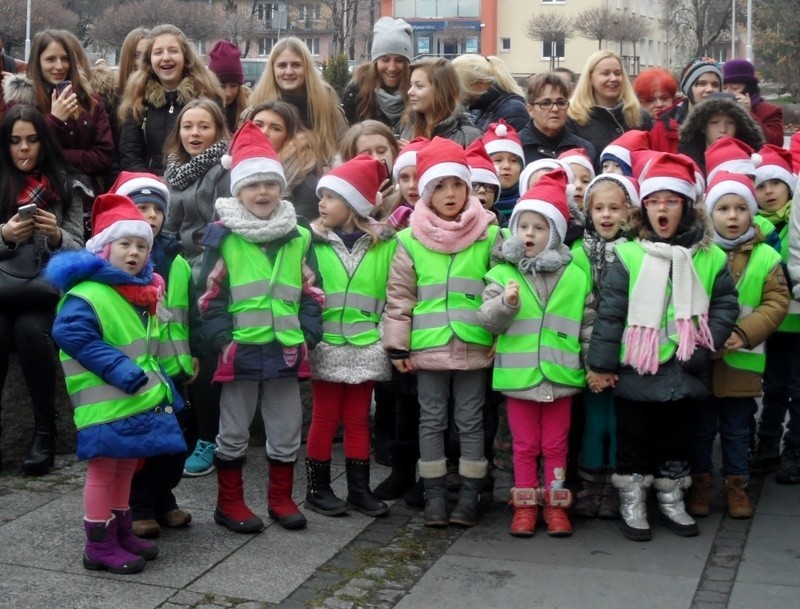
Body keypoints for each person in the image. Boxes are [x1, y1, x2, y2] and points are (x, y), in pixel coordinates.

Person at [587, 152, 739, 542]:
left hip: (685, 366)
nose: (662, 209)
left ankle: (673, 498)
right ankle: (633, 500)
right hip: (638, 366)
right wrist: (602, 365)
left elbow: (725, 304)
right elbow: (610, 314)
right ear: (645, 209)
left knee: (677, 440)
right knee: (634, 438)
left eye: (671, 200)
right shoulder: (630, 254)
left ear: (686, 207)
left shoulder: (709, 257)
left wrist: (707, 342)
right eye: (654, 201)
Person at [46, 193, 186, 574]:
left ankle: (121, 531)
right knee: (104, 470)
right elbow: (71, 333)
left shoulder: (139, 293)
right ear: (104, 248)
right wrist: (121, 370)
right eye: (125, 244)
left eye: (142, 245)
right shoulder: (88, 293)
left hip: (133, 400)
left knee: (126, 467)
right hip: (105, 401)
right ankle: (98, 545)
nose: (134, 252)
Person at [196, 121, 322, 533]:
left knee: (286, 430)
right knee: (232, 430)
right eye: (253, 185)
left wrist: (308, 333)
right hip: (240, 348)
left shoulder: (298, 237)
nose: (262, 193)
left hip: (287, 346)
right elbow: (208, 297)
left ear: (281, 188)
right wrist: (221, 340)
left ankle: (280, 499)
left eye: (270, 184)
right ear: (238, 191)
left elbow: (312, 293)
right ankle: (229, 503)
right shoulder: (224, 238)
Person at [384, 137, 501, 528]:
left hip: (474, 346)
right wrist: (398, 347)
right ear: (426, 191)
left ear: (469, 188)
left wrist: (499, 333)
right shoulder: (409, 239)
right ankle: (434, 494)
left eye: (457, 185)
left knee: (470, 420)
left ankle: (469, 494)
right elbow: (400, 297)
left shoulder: (488, 234)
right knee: (430, 420)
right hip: (428, 348)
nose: (449, 194)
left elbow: (499, 288)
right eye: (439, 186)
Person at [478, 169, 594, 537]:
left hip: (561, 375)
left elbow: (587, 323)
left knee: (556, 444)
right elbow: (487, 320)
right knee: (525, 445)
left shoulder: (576, 275)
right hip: (520, 376)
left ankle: (556, 506)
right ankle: (525, 506)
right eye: (523, 226)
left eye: (539, 228)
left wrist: (593, 365)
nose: (529, 234)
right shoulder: (502, 273)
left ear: (555, 234)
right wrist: (507, 303)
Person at [686, 171, 788, 519]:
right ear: (709, 214)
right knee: (700, 430)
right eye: (724, 209)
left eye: (741, 208)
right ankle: (700, 481)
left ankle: (736, 484)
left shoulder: (767, 258)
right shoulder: (696, 253)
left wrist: (744, 333)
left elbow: (775, 302)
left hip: (743, 360)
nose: (733, 216)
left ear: (751, 213)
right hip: (701, 359)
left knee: (737, 430)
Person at [305, 154, 394, 518]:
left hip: (366, 342)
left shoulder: (387, 244)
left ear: (355, 204)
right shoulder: (311, 242)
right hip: (326, 343)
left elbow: (394, 294)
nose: (321, 204)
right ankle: (317, 487)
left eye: (331, 197)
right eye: (321, 197)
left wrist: (384, 336)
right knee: (325, 416)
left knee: (358, 418)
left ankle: (359, 488)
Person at [109, 171, 195, 537]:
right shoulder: (123, 265)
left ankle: (164, 498)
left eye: (156, 209)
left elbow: (192, 311)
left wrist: (196, 352)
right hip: (144, 368)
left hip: (175, 365)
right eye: (141, 207)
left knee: (179, 440)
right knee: (145, 441)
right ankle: (140, 503)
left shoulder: (176, 260)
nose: (150, 215)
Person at [0, 104, 84, 475]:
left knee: (32, 331)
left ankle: (44, 432)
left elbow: (83, 247)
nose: (23, 149)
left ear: (43, 142)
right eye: (15, 141)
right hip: (2, 288)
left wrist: (55, 234)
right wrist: (3, 235)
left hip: (44, 289)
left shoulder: (65, 183)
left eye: (32, 140)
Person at [571, 173, 640, 519]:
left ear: (629, 211)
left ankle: (616, 486)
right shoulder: (577, 253)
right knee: (595, 423)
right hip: (590, 352)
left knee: (619, 424)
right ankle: (590, 484)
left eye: (615, 207)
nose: (607, 215)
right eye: (599, 208)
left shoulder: (637, 252)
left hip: (627, 353)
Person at [752, 145, 800, 483]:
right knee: (772, 387)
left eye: (775, 184)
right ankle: (767, 443)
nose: (769, 192)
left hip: (797, 321)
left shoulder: (793, 222)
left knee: (798, 387)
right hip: (771, 325)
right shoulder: (753, 226)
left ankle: (794, 447)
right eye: (761, 186)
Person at [118, 24, 224, 175]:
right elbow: (130, 153)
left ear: (185, 57)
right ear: (149, 60)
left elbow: (219, 146)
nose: (166, 58)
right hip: (151, 188)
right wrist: (151, 185)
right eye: (158, 52)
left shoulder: (208, 96)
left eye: (173, 51)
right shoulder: (137, 98)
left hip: (198, 184)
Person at [24, 30, 114, 197]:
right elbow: (25, 153)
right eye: (50, 59)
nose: (59, 66)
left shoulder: (90, 101)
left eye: (65, 59)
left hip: (86, 194)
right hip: (38, 194)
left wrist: (56, 158)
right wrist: (54, 120)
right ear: (38, 62)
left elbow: (104, 155)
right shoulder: (23, 102)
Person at [249, 37, 346, 167]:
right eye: (282, 65)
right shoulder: (255, 109)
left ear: (307, 68)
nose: (289, 71)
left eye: (296, 65)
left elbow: (347, 153)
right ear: (272, 69)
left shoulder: (328, 109)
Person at [163, 99, 231, 268]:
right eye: (187, 127)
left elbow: (222, 226)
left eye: (204, 127)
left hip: (209, 261)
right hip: (176, 259)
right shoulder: (172, 171)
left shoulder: (224, 171)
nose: (194, 133)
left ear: (218, 131)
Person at [566, 50, 652, 170]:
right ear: (590, 78)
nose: (613, 78)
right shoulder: (572, 118)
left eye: (617, 73)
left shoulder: (640, 117)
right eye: (605, 73)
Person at [247, 101, 320, 220]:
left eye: (275, 128)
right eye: (258, 125)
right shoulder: (230, 166)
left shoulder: (306, 184)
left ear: (289, 137)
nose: (264, 132)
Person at [342, 17, 413, 132]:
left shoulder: (418, 90)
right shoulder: (356, 92)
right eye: (385, 60)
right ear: (376, 62)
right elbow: (349, 139)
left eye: (399, 60)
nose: (392, 67)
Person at [398, 57, 482, 147]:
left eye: (419, 86)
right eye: (411, 85)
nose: (410, 92)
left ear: (442, 90)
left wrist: (418, 155)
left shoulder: (468, 137)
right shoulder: (409, 127)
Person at [678, 92, 764, 177]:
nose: (723, 129)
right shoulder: (686, 164)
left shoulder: (751, 163)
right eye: (714, 123)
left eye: (730, 123)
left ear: (738, 127)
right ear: (703, 127)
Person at [518, 72, 596, 166]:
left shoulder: (583, 149)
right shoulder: (516, 148)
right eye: (546, 103)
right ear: (530, 110)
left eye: (561, 103)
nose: (555, 109)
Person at [650, 57, 723, 154]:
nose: (709, 89)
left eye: (715, 85)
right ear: (688, 89)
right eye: (701, 84)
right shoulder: (664, 127)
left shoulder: (730, 123)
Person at [452, 54, 528, 133]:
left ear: (480, 84)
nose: (457, 94)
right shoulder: (480, 107)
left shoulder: (513, 111)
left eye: (461, 89)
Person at [722, 59, 784, 147]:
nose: (728, 93)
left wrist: (749, 115)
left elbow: (776, 143)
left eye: (735, 88)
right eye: (724, 88)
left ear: (749, 89)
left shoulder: (769, 111)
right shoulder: (718, 112)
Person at [481, 119, 524, 224]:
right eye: (498, 160)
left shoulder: (530, 203)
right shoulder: (476, 202)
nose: (506, 166)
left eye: (514, 161)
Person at [208, 40, 249, 133]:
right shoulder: (199, 111)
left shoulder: (250, 114)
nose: (228, 93)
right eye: (222, 86)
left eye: (233, 85)